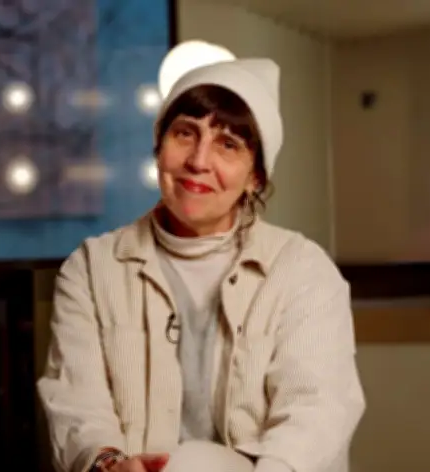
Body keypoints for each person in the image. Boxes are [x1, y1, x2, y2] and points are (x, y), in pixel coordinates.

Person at [37, 57, 365, 472]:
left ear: (255, 177)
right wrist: (109, 463)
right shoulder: (91, 268)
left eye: (228, 144)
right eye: (185, 133)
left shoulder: (303, 270)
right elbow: (76, 402)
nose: (198, 161)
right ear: (159, 148)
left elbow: (317, 408)